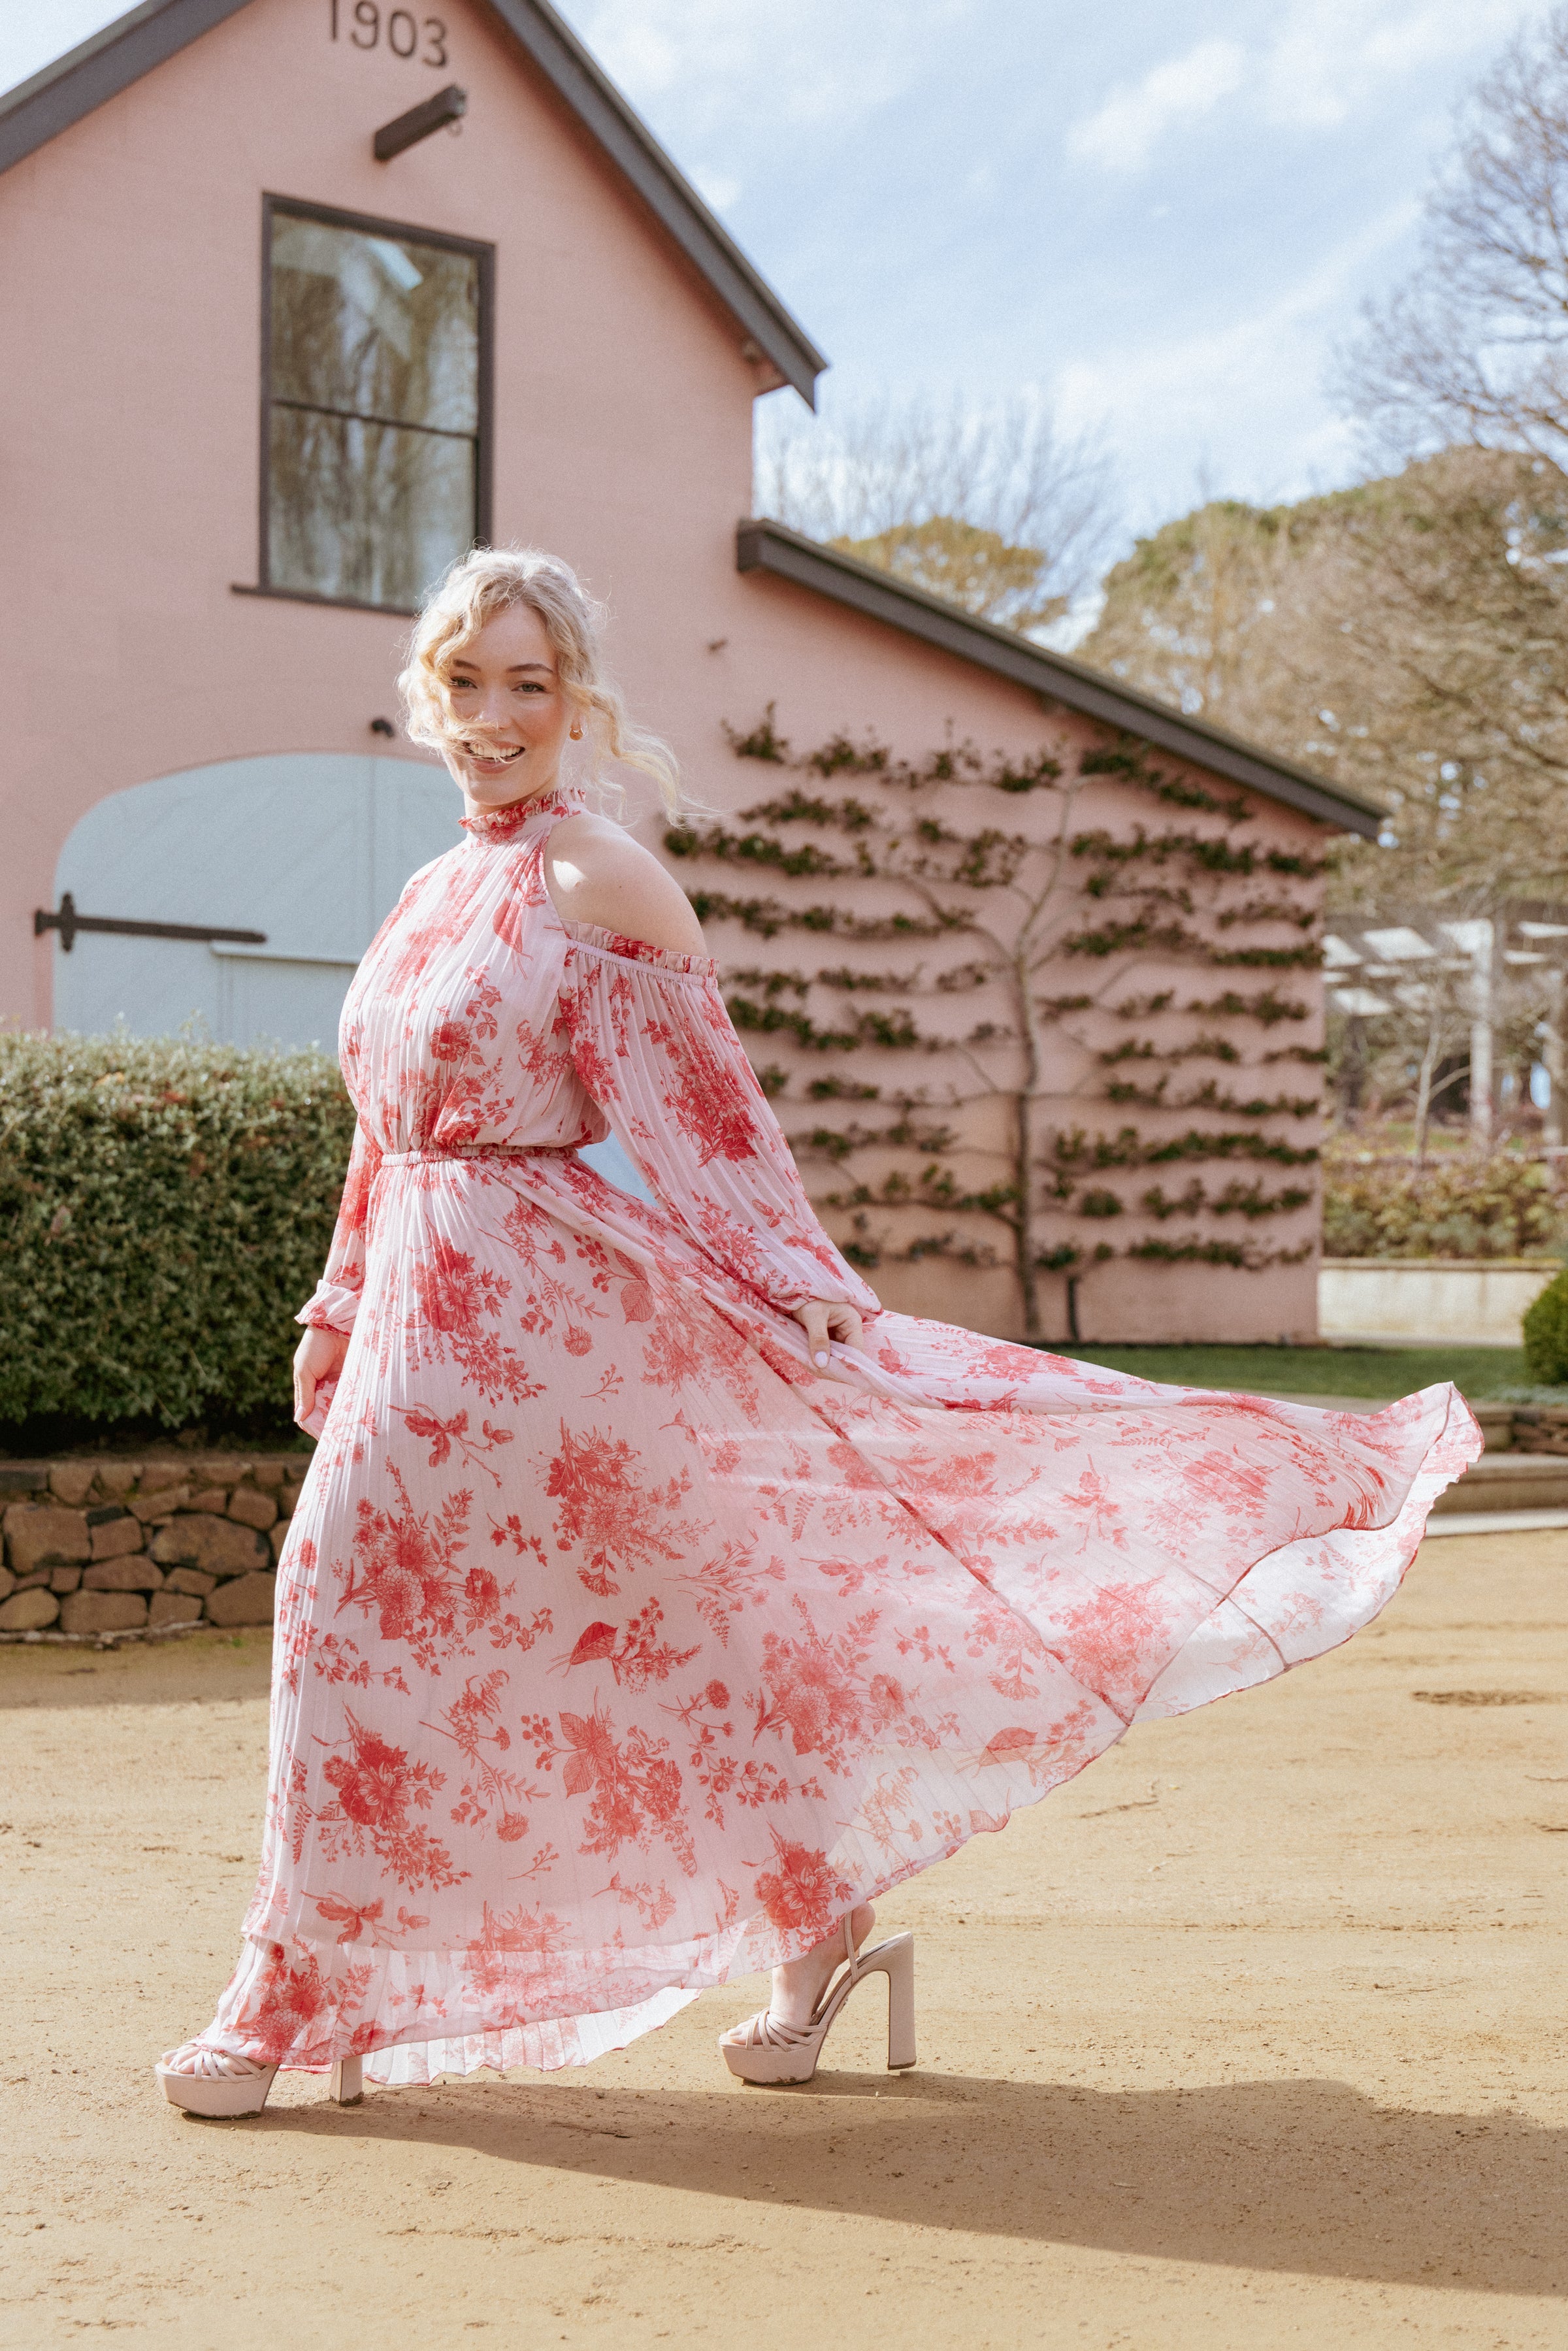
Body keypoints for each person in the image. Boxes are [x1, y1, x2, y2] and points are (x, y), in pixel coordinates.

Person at [156, 546, 1478, 2117]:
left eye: (529, 681)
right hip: (414, 1334)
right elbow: (383, 1137)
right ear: (426, 695)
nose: (494, 713)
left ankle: (810, 1914)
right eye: (466, 679)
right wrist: (336, 1301)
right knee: (343, 1610)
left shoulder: (598, 877)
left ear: (577, 701)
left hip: (563, 1337)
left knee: (690, 1636)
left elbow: (710, 1120)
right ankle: (311, 1989)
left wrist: (805, 1292)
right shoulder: (427, 890)